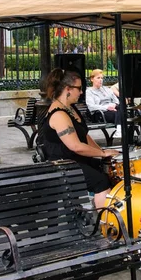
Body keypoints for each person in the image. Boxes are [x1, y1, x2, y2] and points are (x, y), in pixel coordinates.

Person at [38, 68, 119, 208]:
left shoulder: (70, 107)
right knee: (100, 182)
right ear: (68, 89)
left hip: (76, 160)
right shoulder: (59, 114)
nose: (81, 92)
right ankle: (104, 223)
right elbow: (76, 146)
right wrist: (102, 153)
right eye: (79, 88)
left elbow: (84, 136)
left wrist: (102, 153)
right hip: (64, 164)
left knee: (111, 173)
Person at [86, 69, 122, 138]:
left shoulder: (107, 89)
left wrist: (114, 105)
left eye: (102, 78)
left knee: (121, 108)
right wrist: (106, 107)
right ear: (92, 79)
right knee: (120, 113)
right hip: (100, 113)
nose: (101, 80)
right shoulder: (89, 92)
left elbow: (116, 101)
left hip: (113, 109)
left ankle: (119, 131)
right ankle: (120, 130)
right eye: (98, 78)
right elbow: (91, 106)